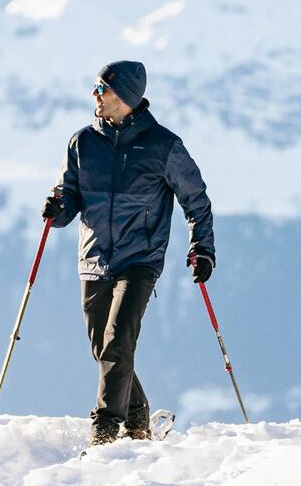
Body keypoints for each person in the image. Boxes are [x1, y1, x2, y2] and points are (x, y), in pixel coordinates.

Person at [41, 60, 215, 446]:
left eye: (101, 88)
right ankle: (138, 418)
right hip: (94, 258)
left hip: (141, 258)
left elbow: (196, 201)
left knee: (118, 341)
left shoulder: (163, 146)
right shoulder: (82, 142)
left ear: (126, 97)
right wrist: (58, 210)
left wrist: (202, 249)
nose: (94, 95)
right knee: (102, 347)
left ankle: (105, 429)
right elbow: (67, 197)